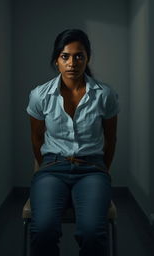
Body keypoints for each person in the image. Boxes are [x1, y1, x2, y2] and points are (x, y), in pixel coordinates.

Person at [26, 29, 120, 256]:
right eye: (65, 56)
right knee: (43, 230)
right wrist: (49, 164)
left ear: (87, 59)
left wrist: (100, 170)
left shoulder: (104, 94)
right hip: (52, 169)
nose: (72, 62)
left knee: (92, 233)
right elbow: (37, 138)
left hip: (91, 170)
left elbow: (111, 138)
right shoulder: (40, 95)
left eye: (79, 56)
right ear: (56, 60)